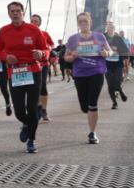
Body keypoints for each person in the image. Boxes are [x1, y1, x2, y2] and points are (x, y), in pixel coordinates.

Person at [0, 2, 49, 153]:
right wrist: (6, 57)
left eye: (18, 11)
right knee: (19, 110)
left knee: (31, 108)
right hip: (15, 72)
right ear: (9, 14)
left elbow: (45, 48)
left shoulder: (33, 29)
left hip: (33, 70)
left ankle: (31, 140)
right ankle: (27, 124)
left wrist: (41, 54)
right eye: (12, 11)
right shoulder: (4, 31)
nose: (15, 13)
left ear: (23, 12)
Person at [63, 12, 111, 144]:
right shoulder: (73, 39)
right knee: (84, 106)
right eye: (81, 21)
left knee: (92, 103)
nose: (83, 23)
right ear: (78, 24)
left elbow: (109, 51)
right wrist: (72, 57)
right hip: (80, 74)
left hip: (97, 72)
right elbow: (66, 57)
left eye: (86, 21)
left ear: (90, 22)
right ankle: (87, 110)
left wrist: (106, 53)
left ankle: (92, 133)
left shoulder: (99, 36)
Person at [30, 14, 54, 122]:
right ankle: (38, 106)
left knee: (42, 85)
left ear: (39, 23)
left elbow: (52, 45)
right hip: (31, 65)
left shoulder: (44, 34)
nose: (34, 23)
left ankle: (43, 110)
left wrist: (47, 47)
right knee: (33, 87)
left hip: (43, 64)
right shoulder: (27, 34)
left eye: (36, 21)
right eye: (32, 21)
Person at [104, 21, 130, 109]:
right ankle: (114, 103)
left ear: (114, 29)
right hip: (107, 64)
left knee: (117, 82)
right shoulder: (102, 37)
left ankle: (120, 91)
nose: (110, 28)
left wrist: (117, 49)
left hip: (118, 64)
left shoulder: (118, 38)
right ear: (106, 28)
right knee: (110, 84)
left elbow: (126, 50)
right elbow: (98, 48)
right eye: (109, 27)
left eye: (112, 27)